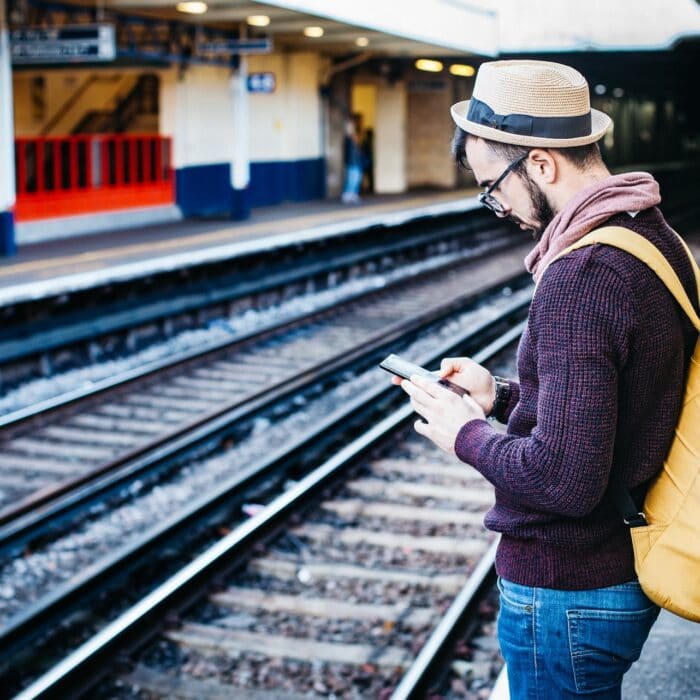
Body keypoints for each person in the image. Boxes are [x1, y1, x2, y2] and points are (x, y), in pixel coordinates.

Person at [393, 60, 698, 699]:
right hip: (613, 565)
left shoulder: (580, 276)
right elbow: (624, 401)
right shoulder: (652, 236)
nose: (494, 206)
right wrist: (500, 396)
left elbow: (563, 478)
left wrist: (465, 433)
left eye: (492, 186)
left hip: (567, 587)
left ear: (540, 163)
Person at [341, 115, 364, 203]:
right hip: (352, 163)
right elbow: (348, 134)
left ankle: (354, 194)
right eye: (355, 137)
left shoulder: (356, 147)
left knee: (357, 180)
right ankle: (347, 194)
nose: (356, 138)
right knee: (351, 180)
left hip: (357, 164)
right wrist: (350, 127)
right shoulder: (349, 144)